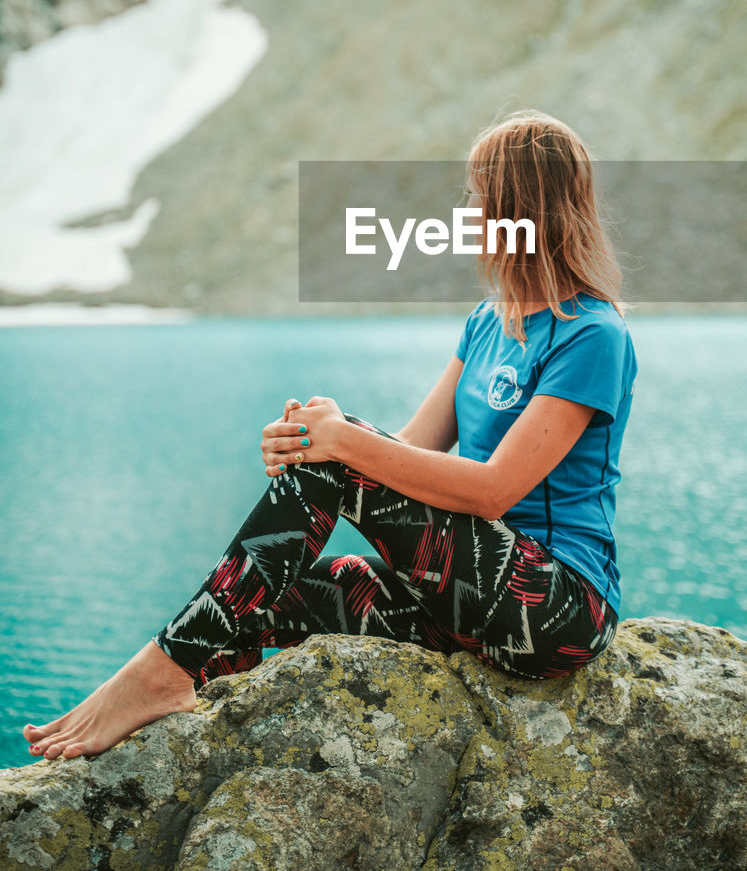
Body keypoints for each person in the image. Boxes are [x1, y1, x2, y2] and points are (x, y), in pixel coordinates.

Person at [23, 109, 638, 761]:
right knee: (267, 599)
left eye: (479, 196)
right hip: (461, 603)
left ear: (522, 208)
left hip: (552, 611)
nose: (467, 211)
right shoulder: (488, 322)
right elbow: (412, 455)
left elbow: (492, 491)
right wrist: (317, 437)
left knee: (337, 455)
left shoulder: (590, 335)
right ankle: (170, 703)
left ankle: (156, 672)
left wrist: (341, 445)